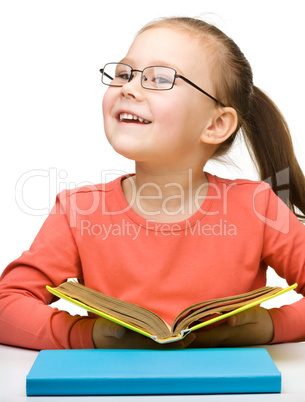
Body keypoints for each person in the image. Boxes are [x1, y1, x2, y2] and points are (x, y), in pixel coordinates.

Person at [1, 16, 305, 350]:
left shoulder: (257, 207)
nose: (128, 88)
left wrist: (270, 327)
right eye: (124, 74)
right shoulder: (78, 212)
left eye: (159, 78)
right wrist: (85, 335)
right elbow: (6, 306)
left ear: (217, 124)